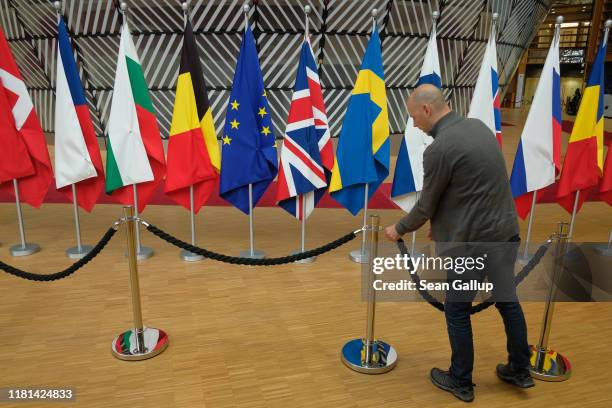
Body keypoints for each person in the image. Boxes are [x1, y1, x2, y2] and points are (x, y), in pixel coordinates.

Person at [383, 84, 534, 403]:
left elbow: (425, 205)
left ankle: (460, 380)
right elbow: (473, 186)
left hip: (471, 245)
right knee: (508, 301)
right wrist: (445, 224)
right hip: (505, 231)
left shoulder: (437, 149)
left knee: (457, 309)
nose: (412, 124)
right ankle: (520, 370)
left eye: (413, 116)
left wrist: (398, 228)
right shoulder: (478, 126)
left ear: (426, 109)